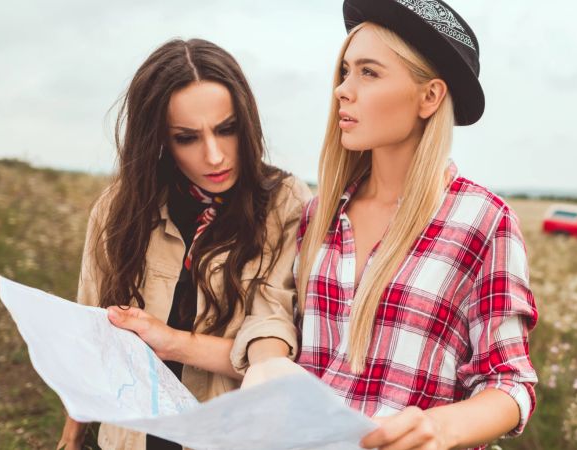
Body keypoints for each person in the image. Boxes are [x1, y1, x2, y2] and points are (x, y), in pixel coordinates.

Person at [291, 1, 538, 448]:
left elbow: (511, 383)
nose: (343, 91)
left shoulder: (483, 222)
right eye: (345, 71)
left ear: (430, 97)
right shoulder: (317, 216)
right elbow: (288, 349)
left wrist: (441, 428)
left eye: (369, 73)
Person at [56, 38, 310, 450]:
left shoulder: (285, 203)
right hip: (129, 438)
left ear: (246, 123)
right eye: (187, 138)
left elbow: (277, 339)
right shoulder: (119, 208)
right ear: (159, 138)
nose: (214, 156)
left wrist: (172, 341)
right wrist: (71, 438)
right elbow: (92, 336)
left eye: (226, 130)